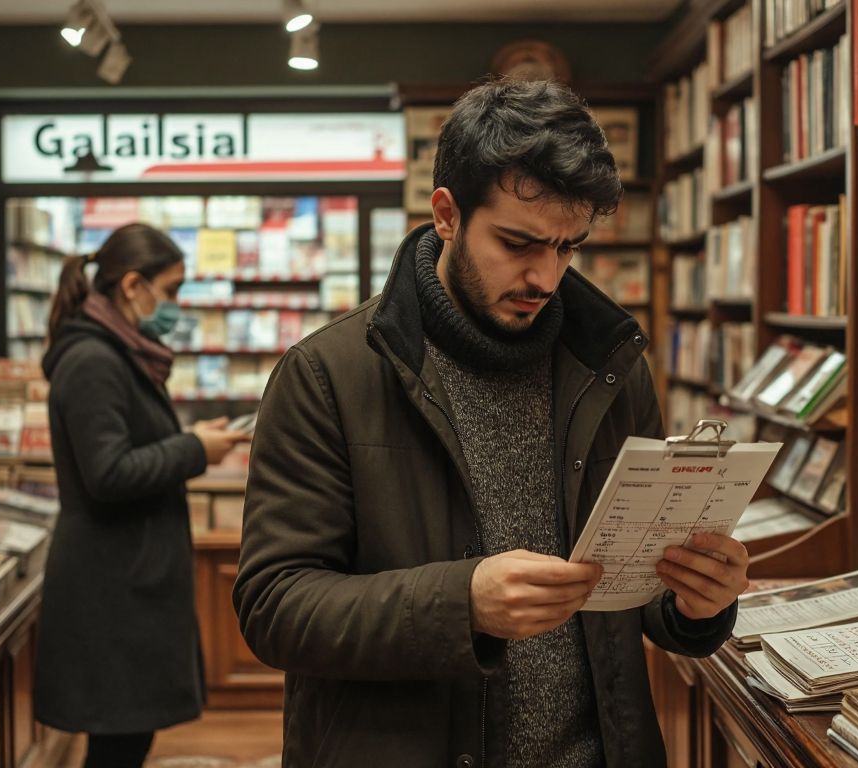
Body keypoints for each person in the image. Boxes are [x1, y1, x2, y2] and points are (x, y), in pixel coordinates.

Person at [235, 79, 750, 767]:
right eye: (517, 243)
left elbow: (633, 588)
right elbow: (275, 606)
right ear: (446, 214)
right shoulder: (327, 375)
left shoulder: (612, 366)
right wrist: (463, 602)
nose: (544, 276)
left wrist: (696, 602)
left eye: (568, 248)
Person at [34, 223, 250, 768]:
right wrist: (196, 448)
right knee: (117, 742)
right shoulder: (93, 361)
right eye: (171, 290)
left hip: (126, 577)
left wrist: (194, 444)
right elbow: (107, 473)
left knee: (126, 739)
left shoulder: (119, 351)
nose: (175, 305)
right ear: (133, 286)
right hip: (110, 588)